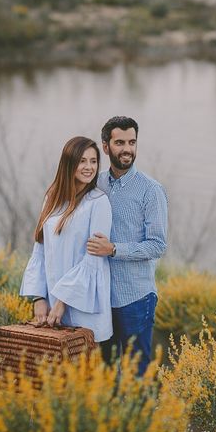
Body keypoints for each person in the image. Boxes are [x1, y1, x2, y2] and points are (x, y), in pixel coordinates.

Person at [86, 116, 168, 376]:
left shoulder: (150, 190)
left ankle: (140, 416)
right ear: (106, 146)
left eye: (132, 142)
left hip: (136, 298)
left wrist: (113, 249)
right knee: (105, 372)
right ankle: (111, 417)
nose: (127, 149)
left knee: (137, 374)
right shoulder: (94, 184)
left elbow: (157, 246)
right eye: (120, 142)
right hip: (100, 297)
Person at [19, 136, 113, 343]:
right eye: (82, 161)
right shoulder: (52, 197)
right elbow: (40, 250)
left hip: (84, 305)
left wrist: (63, 301)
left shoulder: (98, 202)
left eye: (93, 161)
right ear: (69, 163)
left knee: (83, 369)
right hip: (53, 302)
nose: (89, 167)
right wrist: (39, 297)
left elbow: (93, 259)